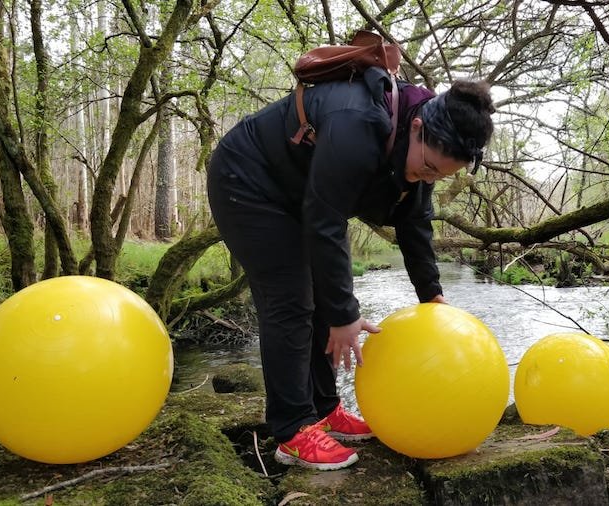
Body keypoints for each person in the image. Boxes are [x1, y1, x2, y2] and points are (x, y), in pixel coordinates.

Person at [206, 67, 495, 471]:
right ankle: (291, 431)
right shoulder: (357, 123)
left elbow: (414, 221)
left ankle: (324, 410)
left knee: (328, 296)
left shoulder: (426, 133)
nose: (427, 178)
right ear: (416, 128)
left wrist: (432, 295)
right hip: (248, 179)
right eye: (428, 168)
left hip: (302, 195)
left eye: (439, 176)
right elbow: (326, 223)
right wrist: (345, 317)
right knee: (290, 300)